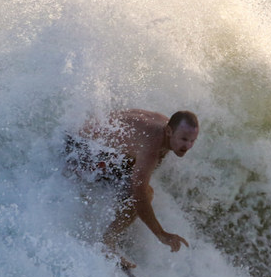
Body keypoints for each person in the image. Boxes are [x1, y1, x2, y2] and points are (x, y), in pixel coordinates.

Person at [65, 109, 199, 268]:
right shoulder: (152, 144)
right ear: (169, 131)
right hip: (79, 152)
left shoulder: (164, 125)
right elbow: (139, 194)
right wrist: (161, 234)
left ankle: (110, 236)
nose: (188, 146)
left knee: (133, 171)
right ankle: (107, 242)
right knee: (145, 194)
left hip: (81, 140)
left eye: (192, 140)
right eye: (184, 139)